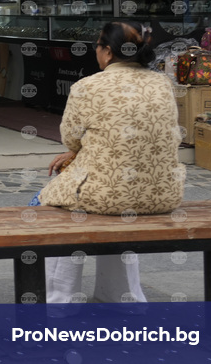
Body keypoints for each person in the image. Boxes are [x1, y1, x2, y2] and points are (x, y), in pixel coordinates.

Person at [36, 21, 184, 304]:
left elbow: (71, 138)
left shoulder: (87, 86)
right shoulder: (163, 83)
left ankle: (59, 298)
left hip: (106, 196)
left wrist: (76, 151)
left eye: (98, 46)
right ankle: (121, 294)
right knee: (115, 208)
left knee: (48, 205)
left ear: (107, 52)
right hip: (162, 194)